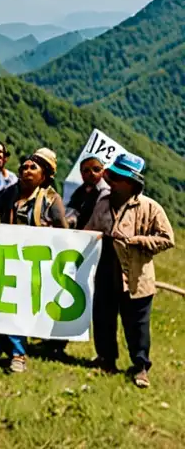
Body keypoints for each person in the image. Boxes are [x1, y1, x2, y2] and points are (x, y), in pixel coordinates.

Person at [84, 152, 175, 388]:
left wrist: (138, 241)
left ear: (131, 183)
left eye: (115, 177)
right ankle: (106, 359)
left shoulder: (150, 208)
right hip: (106, 271)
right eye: (111, 175)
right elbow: (89, 230)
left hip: (136, 276)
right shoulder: (102, 203)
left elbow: (167, 238)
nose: (110, 180)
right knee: (103, 318)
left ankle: (140, 366)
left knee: (137, 325)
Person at [0, 148, 67, 373]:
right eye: (25, 167)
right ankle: (6, 347)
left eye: (34, 167)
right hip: (6, 257)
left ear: (45, 175)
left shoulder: (51, 199)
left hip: (33, 262)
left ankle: (18, 354)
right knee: (2, 302)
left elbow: (64, 231)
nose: (27, 171)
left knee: (18, 306)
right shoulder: (9, 193)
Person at [66, 155, 109, 229]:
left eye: (96, 169)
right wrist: (70, 219)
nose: (92, 173)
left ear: (103, 171)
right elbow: (72, 211)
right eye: (86, 171)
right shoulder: (79, 191)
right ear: (81, 174)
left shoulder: (106, 192)